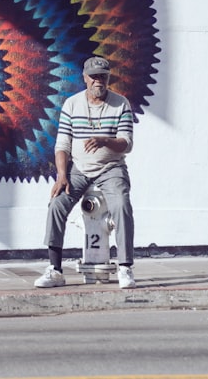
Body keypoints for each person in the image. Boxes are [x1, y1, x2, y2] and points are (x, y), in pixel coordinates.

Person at [35, 56, 137, 289]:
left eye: (102, 76)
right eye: (93, 76)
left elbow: (127, 144)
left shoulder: (121, 104)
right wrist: (62, 175)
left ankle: (125, 267)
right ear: (85, 78)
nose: (98, 81)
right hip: (78, 168)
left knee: (121, 204)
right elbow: (62, 145)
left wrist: (104, 141)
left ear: (108, 78)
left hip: (111, 167)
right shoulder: (72, 104)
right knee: (57, 204)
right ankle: (55, 269)